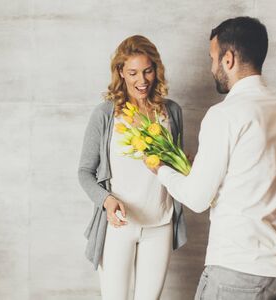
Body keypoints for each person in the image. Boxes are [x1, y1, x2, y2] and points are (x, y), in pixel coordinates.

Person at [148, 17, 276, 299]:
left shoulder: (225, 115)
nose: (212, 67)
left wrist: (161, 169)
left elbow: (197, 198)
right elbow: (256, 175)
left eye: (213, 58)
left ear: (229, 58)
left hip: (238, 270)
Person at [78, 35, 187, 300]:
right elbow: (85, 172)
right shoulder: (105, 114)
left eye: (148, 71)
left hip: (159, 224)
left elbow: (176, 167)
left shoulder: (170, 112)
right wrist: (107, 200)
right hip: (119, 227)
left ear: (156, 69)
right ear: (120, 73)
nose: (142, 80)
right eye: (133, 72)